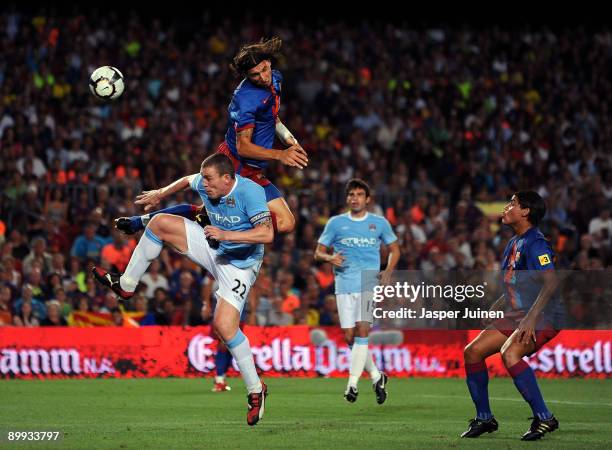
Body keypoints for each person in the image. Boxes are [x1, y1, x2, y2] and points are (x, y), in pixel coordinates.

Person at [92, 153, 272, 426]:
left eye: (209, 180)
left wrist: (227, 235)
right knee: (159, 223)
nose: (204, 185)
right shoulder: (206, 183)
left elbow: (266, 234)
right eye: (204, 179)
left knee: (224, 327)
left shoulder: (251, 192)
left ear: (227, 178)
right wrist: (159, 194)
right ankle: (126, 284)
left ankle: (256, 389)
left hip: (241, 264)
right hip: (214, 247)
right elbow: (188, 180)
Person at [114, 37, 306, 237]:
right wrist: (280, 155)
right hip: (236, 166)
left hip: (253, 169)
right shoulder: (246, 99)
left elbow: (272, 118)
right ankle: (217, 229)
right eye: (254, 75)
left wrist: (291, 141)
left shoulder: (275, 79)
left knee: (208, 214)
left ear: (269, 63)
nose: (262, 77)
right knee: (282, 223)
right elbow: (243, 147)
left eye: (263, 70)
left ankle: (141, 221)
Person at [461, 191, 561, 441]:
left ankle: (545, 417)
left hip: (545, 312)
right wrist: (498, 303)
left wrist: (530, 319)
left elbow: (551, 283)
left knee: (510, 352)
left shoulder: (536, 242)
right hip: (519, 312)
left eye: (513, 203)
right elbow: (515, 283)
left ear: (526, 211)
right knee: (472, 352)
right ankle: (485, 418)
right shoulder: (514, 243)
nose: (507, 207)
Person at [314, 178, 400, 404]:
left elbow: (394, 249)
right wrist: (330, 257)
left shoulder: (379, 223)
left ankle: (351, 385)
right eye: (351, 194)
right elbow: (318, 252)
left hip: (367, 283)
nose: (355, 198)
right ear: (347, 198)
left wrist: (388, 270)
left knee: (363, 332)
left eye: (360, 194)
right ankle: (376, 376)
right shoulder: (335, 223)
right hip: (343, 284)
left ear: (367, 199)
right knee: (350, 338)